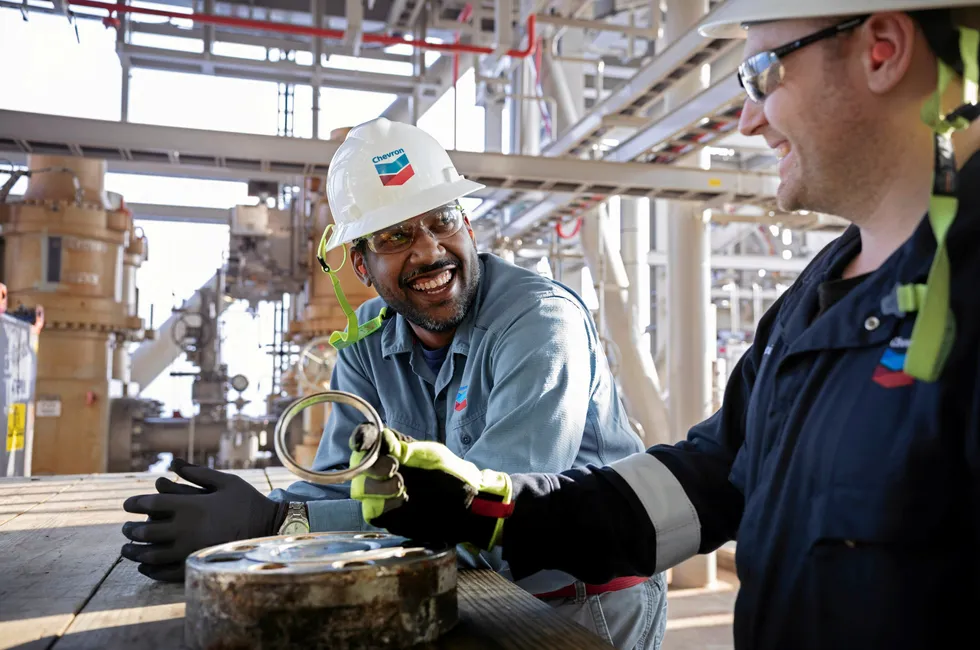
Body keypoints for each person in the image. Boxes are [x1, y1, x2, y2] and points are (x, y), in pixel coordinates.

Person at [343, 3, 980, 649]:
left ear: (881, 49)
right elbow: (709, 481)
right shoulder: (821, 290)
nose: (748, 118)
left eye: (762, 72)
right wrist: (492, 505)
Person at [119, 117, 668, 650]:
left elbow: (498, 518)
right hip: (464, 590)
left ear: (468, 227)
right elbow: (339, 487)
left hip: (581, 603)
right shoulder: (367, 351)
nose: (428, 250)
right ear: (361, 267)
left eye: (443, 220)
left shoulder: (539, 324)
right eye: (396, 235)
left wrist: (279, 522)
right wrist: (252, 520)